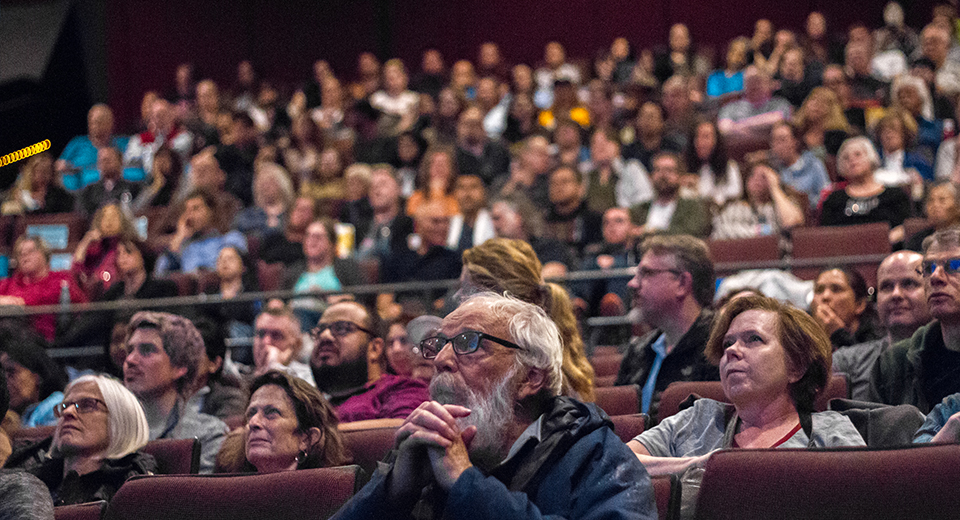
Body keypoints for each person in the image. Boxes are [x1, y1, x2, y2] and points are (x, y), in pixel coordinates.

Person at [329, 292, 657, 520]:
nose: (441, 360)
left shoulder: (592, 453)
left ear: (530, 378)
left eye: (468, 343)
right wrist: (392, 493)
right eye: (438, 344)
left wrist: (465, 482)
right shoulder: (420, 448)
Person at [628, 295, 864, 517]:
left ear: (796, 367)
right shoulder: (698, 419)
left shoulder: (829, 432)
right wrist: (696, 464)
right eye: (728, 343)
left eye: (753, 339)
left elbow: (864, 505)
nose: (731, 350)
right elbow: (617, 463)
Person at [458, 238, 596, 401]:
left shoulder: (528, 372)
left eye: (466, 291)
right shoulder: (531, 354)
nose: (458, 299)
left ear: (496, 299)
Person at [615, 234, 720, 420]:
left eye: (646, 273)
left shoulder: (720, 348)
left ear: (682, 283)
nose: (633, 283)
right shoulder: (638, 350)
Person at [123, 311, 227, 473]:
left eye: (147, 350)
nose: (130, 360)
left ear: (180, 365)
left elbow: (197, 497)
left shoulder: (206, 435)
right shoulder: (109, 432)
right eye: (130, 350)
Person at [28, 375, 156, 506]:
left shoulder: (132, 489)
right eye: (65, 406)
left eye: (87, 405)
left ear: (121, 420)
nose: (68, 412)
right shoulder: (32, 479)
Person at [871, 228, 960, 413]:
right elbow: (878, 439)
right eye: (929, 268)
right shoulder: (893, 363)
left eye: (954, 265)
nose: (936, 277)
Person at [309, 300, 429, 421]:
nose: (325, 336)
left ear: (375, 348)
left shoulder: (403, 389)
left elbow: (402, 430)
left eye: (342, 328)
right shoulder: (309, 402)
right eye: (319, 331)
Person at [834, 252, 930, 401]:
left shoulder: (950, 359)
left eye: (909, 283)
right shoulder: (847, 362)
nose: (896, 294)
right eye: (886, 286)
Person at [216, 370, 348, 473]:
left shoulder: (328, 497)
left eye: (271, 413)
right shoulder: (227, 490)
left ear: (307, 439)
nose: (253, 422)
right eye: (251, 413)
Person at [819, 137, 911, 245]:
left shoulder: (895, 195)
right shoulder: (834, 200)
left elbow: (906, 227)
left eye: (857, 154)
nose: (852, 160)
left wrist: (883, 242)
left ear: (871, 156)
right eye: (846, 158)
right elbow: (826, 234)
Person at [0, 236, 87, 342]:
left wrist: (18, 304)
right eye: (20, 253)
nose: (24, 256)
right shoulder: (8, 283)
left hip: (42, 341)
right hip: (8, 339)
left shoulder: (60, 280)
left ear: (44, 254)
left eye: (30, 251)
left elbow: (83, 310)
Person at [154, 189, 247, 276]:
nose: (190, 216)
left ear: (211, 211)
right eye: (187, 211)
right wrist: (179, 236)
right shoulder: (186, 246)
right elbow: (160, 273)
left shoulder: (231, 238)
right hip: (193, 293)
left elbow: (233, 269)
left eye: (196, 209)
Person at [628, 152, 711, 239]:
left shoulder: (692, 207)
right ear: (651, 176)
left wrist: (650, 232)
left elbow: (689, 234)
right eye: (658, 170)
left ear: (680, 176)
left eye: (669, 170)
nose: (663, 175)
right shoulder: (639, 209)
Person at [0, 327, 67, 428]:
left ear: (36, 377)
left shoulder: (56, 405)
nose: (5, 381)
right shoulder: (21, 414)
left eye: (11, 372)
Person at [57, 104, 130, 191]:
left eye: (98, 121)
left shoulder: (123, 143)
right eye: (91, 122)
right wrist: (65, 167)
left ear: (110, 123)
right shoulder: (77, 143)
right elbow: (59, 166)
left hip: (116, 190)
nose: (94, 126)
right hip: (83, 194)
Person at [71, 203, 138, 298]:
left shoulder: (130, 247)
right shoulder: (94, 249)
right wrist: (86, 240)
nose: (109, 222)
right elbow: (76, 271)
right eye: (105, 217)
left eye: (113, 217)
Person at [811, 267, 883, 350]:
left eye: (836, 289)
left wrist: (839, 335)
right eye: (819, 290)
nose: (825, 296)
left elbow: (864, 361)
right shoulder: (802, 336)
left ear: (859, 304)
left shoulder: (878, 342)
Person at [769, 121, 830, 210]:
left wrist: (805, 201)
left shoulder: (814, 165)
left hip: (812, 217)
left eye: (782, 140)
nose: (778, 146)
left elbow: (826, 196)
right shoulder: (772, 170)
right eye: (774, 141)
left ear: (795, 142)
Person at [250, 306, 314, 386]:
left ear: (295, 344)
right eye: (261, 334)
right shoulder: (242, 374)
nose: (266, 342)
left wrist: (275, 367)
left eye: (276, 335)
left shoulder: (306, 377)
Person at [1, 153, 74, 215]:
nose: (42, 176)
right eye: (38, 171)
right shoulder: (17, 193)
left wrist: (43, 203)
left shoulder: (60, 196)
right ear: (31, 172)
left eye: (46, 171)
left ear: (53, 174)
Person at [76, 147, 141, 218]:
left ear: (120, 161)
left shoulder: (134, 188)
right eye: (101, 161)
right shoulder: (88, 191)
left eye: (108, 160)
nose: (104, 164)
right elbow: (83, 214)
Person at [905, 180, 960, 251]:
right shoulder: (918, 241)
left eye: (942, 200)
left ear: (958, 206)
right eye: (931, 200)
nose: (935, 205)